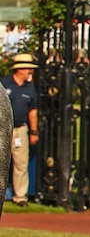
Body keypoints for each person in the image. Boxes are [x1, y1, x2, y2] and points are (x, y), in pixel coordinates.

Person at [1, 53, 39, 206]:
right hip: (3, 129)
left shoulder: (30, 88)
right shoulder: (4, 84)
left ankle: (20, 196)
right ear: (20, 69)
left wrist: (34, 131)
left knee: (21, 164)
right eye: (29, 69)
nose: (31, 71)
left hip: (20, 129)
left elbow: (33, 110)